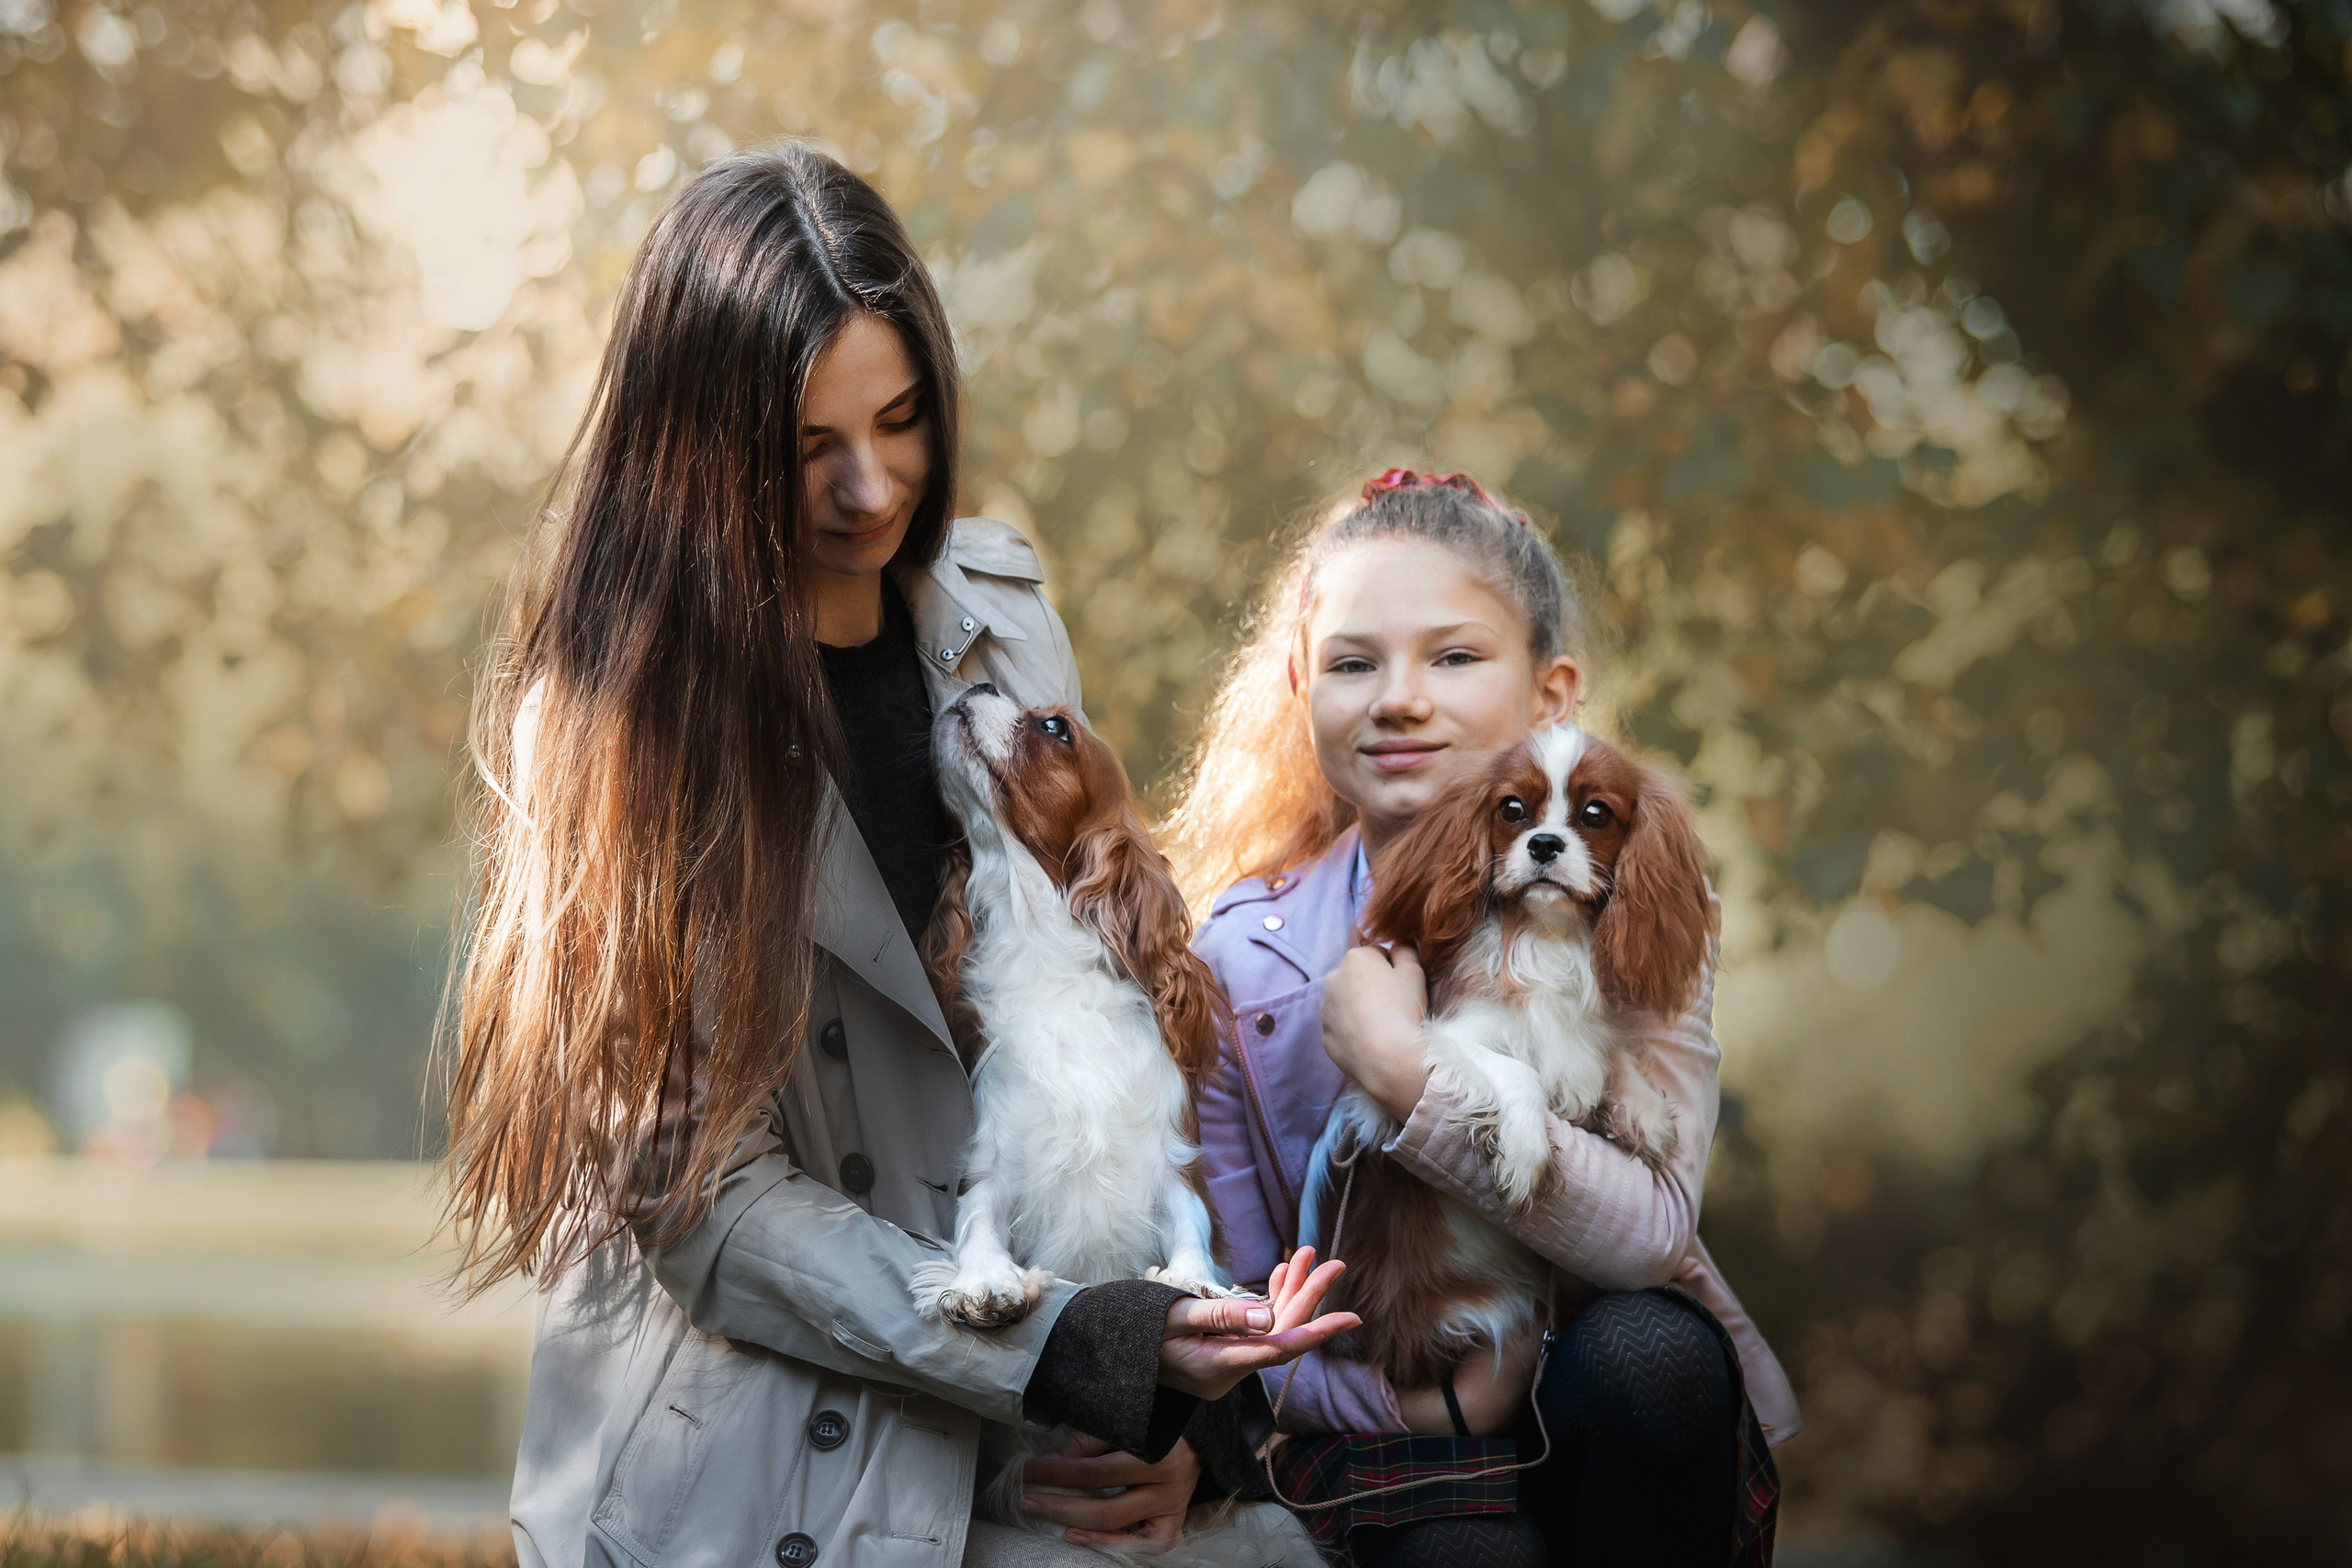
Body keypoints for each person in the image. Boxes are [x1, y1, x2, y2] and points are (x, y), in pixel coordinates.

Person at [440, 143, 1355, 1568]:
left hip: (1026, 1374)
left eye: (903, 418)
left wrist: (1181, 1424)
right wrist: (1079, 1349)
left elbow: (1080, 1040)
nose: (872, 487)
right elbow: (712, 1211)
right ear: (703, 445)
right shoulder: (621, 721)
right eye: (810, 445)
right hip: (765, 1421)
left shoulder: (996, 620)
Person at [1165, 469, 1801, 1566]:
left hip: (1601, 1384)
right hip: (1387, 1410)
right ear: (1297, 685)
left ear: (1551, 692)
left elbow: (1653, 1232)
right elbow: (1235, 1290)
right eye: (1352, 663)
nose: (1398, 698)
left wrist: (1402, 1068)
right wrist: (1420, 1415)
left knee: (1658, 1355)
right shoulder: (1239, 954)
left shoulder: (1637, 903)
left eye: (1453, 657)